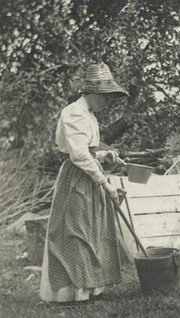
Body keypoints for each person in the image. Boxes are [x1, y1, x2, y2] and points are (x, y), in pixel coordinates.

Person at [40, 63, 129, 303]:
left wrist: (104, 156)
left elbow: (87, 152)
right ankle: (70, 293)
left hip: (88, 175)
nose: (107, 102)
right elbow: (78, 156)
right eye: (105, 96)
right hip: (76, 178)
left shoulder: (89, 115)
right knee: (74, 233)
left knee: (91, 231)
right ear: (91, 91)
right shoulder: (74, 112)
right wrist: (106, 183)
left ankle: (88, 289)